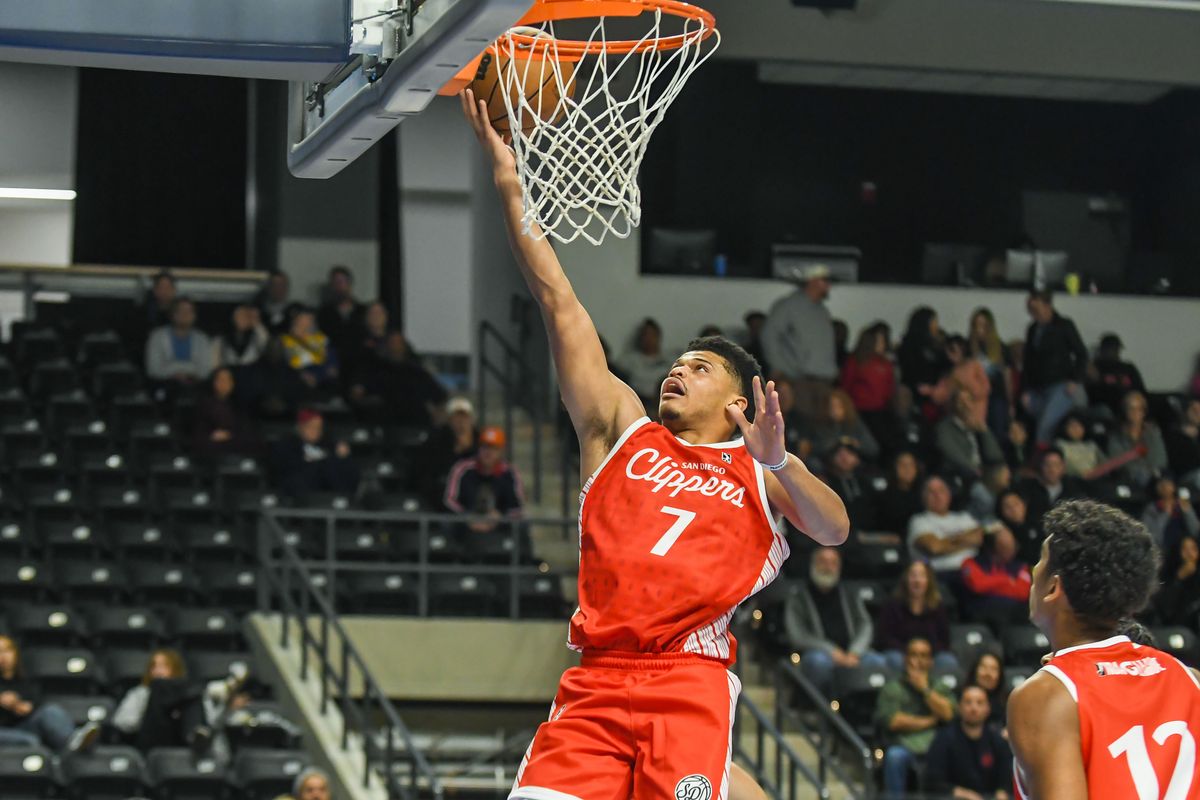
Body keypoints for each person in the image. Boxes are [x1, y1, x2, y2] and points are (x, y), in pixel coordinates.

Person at [464, 89, 848, 800]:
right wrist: (509, 185)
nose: (678, 368)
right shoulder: (621, 429)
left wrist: (779, 461)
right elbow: (559, 305)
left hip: (687, 679)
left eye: (699, 367)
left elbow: (834, 528)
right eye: (678, 361)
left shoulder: (759, 472)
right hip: (596, 678)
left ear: (738, 401)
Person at [1007, 500, 1200, 799]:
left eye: (1041, 560)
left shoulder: (1046, 696)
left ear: (1053, 588)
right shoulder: (1191, 679)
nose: (1034, 569)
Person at [783, 547, 885, 693]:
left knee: (877, 661)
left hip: (852, 653)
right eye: (823, 562)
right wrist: (831, 651)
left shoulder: (850, 594)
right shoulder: (798, 598)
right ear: (813, 565)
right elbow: (798, 636)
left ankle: (865, 710)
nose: (828, 567)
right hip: (820, 654)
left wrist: (854, 652)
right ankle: (820, 711)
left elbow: (865, 625)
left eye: (833, 563)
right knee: (817, 662)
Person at [874, 637, 956, 799]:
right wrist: (932, 720)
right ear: (905, 659)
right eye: (914, 655)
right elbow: (893, 721)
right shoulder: (892, 688)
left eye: (924, 656)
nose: (919, 661)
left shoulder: (940, 686)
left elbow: (948, 714)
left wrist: (924, 689)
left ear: (931, 661)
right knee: (894, 756)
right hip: (904, 745)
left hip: (937, 746)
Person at [762, 264, 838, 418]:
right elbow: (769, 335)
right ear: (813, 281)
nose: (828, 286)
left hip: (823, 382)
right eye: (825, 281)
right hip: (799, 382)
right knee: (803, 424)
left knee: (821, 428)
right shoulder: (788, 306)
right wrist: (780, 368)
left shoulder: (822, 311)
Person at [0, 635, 97, 752]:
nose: (3, 656)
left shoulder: (26, 681)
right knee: (28, 741)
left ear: (15, 653)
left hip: (23, 726)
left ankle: (73, 744)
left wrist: (20, 706)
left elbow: (33, 707)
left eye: (7, 650)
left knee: (51, 711)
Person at [1020, 290, 1089, 445]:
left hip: (1061, 385)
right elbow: (1028, 361)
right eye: (1030, 310)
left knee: (1046, 425)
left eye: (1035, 309)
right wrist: (1025, 389)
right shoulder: (1033, 329)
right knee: (1041, 421)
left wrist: (1075, 379)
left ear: (1047, 306)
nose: (1033, 313)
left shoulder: (1064, 326)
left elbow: (1081, 354)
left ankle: (1042, 458)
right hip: (1038, 387)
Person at [925, 685, 1013, 800]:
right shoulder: (943, 739)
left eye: (979, 703)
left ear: (987, 709)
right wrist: (963, 794)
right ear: (959, 707)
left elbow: (1005, 781)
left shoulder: (998, 741)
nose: (973, 708)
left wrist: (1002, 793)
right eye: (968, 702)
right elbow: (933, 782)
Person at [875, 561, 958, 673]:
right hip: (901, 654)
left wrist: (926, 655)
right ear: (906, 580)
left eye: (922, 576)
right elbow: (884, 638)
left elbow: (944, 641)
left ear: (928, 581)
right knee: (895, 660)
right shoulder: (892, 606)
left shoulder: (938, 607)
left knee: (947, 661)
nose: (917, 581)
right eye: (913, 576)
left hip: (930, 655)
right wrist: (911, 654)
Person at [443, 426, 525, 532]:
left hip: (499, 524)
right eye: (485, 447)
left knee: (522, 525)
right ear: (478, 448)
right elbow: (449, 501)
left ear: (502, 451)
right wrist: (467, 517)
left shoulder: (510, 473)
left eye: (494, 448)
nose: (488, 452)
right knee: (446, 523)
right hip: (466, 522)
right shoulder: (462, 469)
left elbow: (518, 508)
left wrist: (500, 517)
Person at [907, 475, 985, 580]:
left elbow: (979, 538)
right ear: (923, 497)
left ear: (949, 495)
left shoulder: (964, 517)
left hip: (973, 572)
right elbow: (935, 548)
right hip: (939, 576)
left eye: (941, 491)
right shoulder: (918, 521)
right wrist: (966, 539)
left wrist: (946, 542)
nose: (937, 495)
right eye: (931, 492)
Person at [271, 409, 360, 498]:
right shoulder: (287, 445)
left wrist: (343, 457)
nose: (316, 431)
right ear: (300, 427)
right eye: (311, 427)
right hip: (298, 494)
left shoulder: (329, 444)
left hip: (328, 493)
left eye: (319, 428)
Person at [961, 527, 1031, 632]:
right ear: (994, 547)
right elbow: (978, 586)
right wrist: (1007, 580)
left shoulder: (1021, 566)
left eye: (1012, 544)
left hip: (1015, 613)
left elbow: (1023, 592)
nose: (1013, 548)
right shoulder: (971, 563)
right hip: (982, 613)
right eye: (1006, 545)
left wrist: (991, 584)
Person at [417, 396, 479, 508]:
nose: (460, 421)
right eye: (456, 416)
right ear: (449, 420)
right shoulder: (436, 440)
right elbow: (429, 471)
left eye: (464, 416)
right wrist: (456, 451)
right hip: (442, 497)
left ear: (471, 419)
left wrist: (469, 449)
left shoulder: (480, 441)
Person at [935, 388, 1005, 484]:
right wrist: (973, 470)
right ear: (953, 405)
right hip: (958, 477)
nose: (965, 405)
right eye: (960, 401)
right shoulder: (944, 427)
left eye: (968, 400)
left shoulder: (977, 427)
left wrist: (985, 432)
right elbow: (952, 454)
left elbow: (995, 456)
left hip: (982, 476)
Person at [838, 322, 896, 434]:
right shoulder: (855, 362)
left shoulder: (886, 364)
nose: (882, 344)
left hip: (881, 411)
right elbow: (846, 386)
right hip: (860, 412)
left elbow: (889, 389)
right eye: (879, 341)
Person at [145, 297, 213, 389]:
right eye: (181, 310)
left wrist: (172, 367)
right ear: (173, 314)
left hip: (195, 387)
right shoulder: (157, 336)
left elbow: (205, 372)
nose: (185, 314)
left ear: (194, 316)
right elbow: (153, 369)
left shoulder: (202, 339)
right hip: (163, 386)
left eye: (189, 311)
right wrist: (187, 370)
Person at [801, 388, 880, 467]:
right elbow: (813, 448)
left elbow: (873, 448)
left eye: (839, 406)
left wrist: (856, 444)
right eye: (831, 406)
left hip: (854, 464)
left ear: (846, 407)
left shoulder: (854, 423)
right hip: (828, 464)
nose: (835, 410)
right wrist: (837, 444)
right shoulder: (819, 424)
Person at [1105, 390, 1168, 488]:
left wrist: (1150, 472)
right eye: (1131, 409)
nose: (1135, 413)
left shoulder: (1152, 433)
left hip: (1154, 477)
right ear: (1125, 411)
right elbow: (1119, 463)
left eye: (1139, 409)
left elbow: (1159, 459)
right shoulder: (1116, 436)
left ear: (1144, 412)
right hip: (1129, 479)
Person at [193, 367, 258, 461]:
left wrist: (230, 435)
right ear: (214, 382)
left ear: (233, 384)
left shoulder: (239, 404)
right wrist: (213, 435)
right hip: (212, 443)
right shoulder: (203, 404)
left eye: (228, 380)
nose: (224, 384)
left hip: (235, 441)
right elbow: (199, 431)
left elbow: (246, 428)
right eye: (221, 380)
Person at [968, 308, 1013, 438]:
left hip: (996, 395)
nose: (979, 330)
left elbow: (1007, 377)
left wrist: (1011, 403)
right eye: (976, 325)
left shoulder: (1001, 348)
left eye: (983, 325)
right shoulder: (969, 348)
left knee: (997, 427)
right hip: (975, 396)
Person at [1016, 448, 1087, 525]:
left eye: (1056, 465)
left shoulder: (1072, 489)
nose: (1052, 469)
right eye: (1048, 465)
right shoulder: (1029, 489)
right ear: (1041, 466)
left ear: (1063, 467)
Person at [821, 441, 880, 532]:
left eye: (849, 453)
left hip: (869, 531)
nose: (844, 458)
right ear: (831, 458)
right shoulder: (826, 483)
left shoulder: (864, 482)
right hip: (839, 533)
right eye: (839, 454)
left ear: (857, 459)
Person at [1140, 475, 1199, 566]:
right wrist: (1166, 514)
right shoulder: (1152, 509)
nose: (1165, 487)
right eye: (1162, 485)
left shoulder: (1182, 504)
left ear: (1174, 487)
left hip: (1185, 552)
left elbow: (1195, 531)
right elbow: (1153, 537)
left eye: (1168, 484)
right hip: (1164, 554)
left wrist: (1187, 512)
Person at [897, 307, 949, 406]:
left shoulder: (937, 346)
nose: (936, 325)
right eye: (934, 321)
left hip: (937, 391)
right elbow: (909, 370)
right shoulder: (909, 346)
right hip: (916, 393)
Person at [280, 308, 339, 395]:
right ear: (295, 321)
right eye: (303, 320)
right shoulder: (286, 340)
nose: (307, 324)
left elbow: (331, 364)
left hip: (321, 377)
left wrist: (318, 376)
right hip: (297, 379)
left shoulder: (321, 339)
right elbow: (287, 363)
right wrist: (302, 374)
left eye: (310, 320)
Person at [1087, 333, 1145, 419]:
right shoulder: (1095, 368)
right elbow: (1093, 393)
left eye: (1117, 349)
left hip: (1130, 406)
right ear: (1103, 349)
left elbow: (1140, 390)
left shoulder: (1128, 367)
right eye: (1111, 349)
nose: (1115, 352)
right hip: (1107, 407)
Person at [618, 318, 673, 410]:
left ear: (658, 336)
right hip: (637, 404)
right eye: (645, 335)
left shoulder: (668, 361)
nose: (649, 339)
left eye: (652, 335)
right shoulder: (629, 361)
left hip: (662, 404)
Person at [316, 265, 365, 357]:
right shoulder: (323, 313)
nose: (338, 286)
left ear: (349, 284)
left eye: (341, 282)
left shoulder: (362, 311)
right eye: (335, 283)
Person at [1155, 535, 1200, 627]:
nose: (1190, 554)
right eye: (1185, 550)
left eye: (1193, 549)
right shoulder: (1167, 574)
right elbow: (1164, 606)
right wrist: (1179, 578)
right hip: (1174, 626)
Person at [877, 451, 925, 536]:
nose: (907, 469)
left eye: (911, 465)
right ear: (894, 468)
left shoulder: (924, 495)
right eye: (902, 465)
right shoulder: (884, 497)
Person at [995, 489, 1044, 568]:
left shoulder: (1038, 524)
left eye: (1016, 504)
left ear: (1024, 504)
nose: (1013, 509)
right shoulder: (1003, 533)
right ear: (1001, 511)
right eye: (1007, 507)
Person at [965, 650, 1009, 729]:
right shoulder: (962, 696)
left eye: (994, 669)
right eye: (984, 667)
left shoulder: (1007, 704)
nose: (988, 673)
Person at [216, 304, 269, 368]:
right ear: (232, 319)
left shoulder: (255, 336)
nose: (243, 319)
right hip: (230, 374)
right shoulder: (222, 339)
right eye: (239, 316)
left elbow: (266, 341)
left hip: (252, 373)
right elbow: (217, 363)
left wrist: (255, 322)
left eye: (245, 316)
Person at [1053, 412, 1104, 479]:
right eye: (1072, 426)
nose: (1076, 429)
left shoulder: (1092, 445)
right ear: (1065, 428)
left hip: (1095, 479)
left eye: (1079, 426)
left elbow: (1103, 462)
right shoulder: (1059, 444)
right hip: (1071, 480)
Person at [1165, 397, 1200, 490]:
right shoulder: (1174, 434)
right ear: (1186, 411)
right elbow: (1176, 462)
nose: (1197, 413)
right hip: (1186, 475)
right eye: (1194, 410)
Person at [741, 310, 769, 377]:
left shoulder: (776, 349)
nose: (756, 330)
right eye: (753, 327)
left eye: (759, 326)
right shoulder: (745, 352)